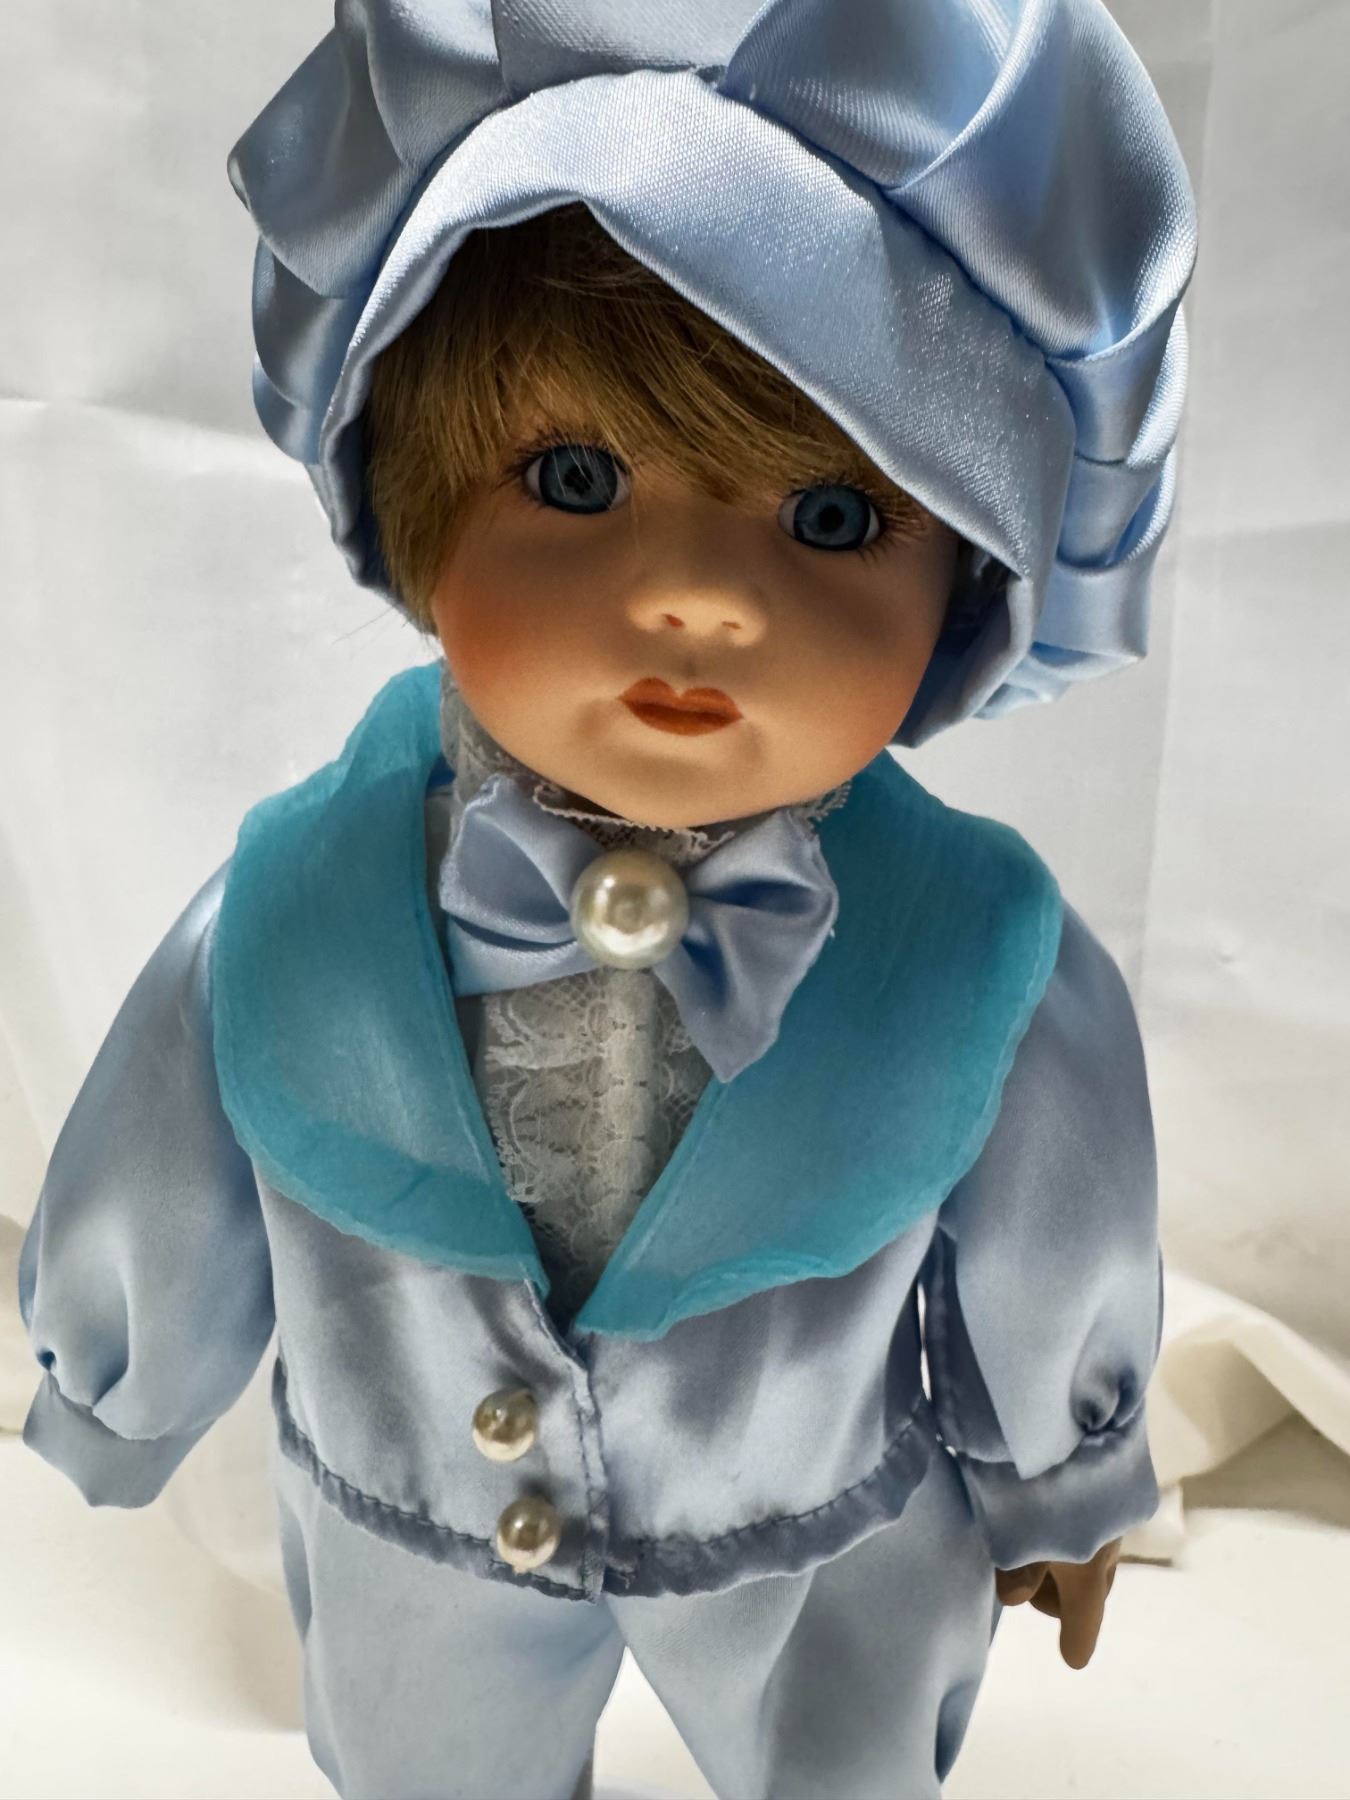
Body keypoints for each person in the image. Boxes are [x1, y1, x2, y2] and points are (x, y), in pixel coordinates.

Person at [16, 4, 1196, 1796]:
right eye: (576, 483)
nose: (698, 598)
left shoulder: (976, 956)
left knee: (848, 1752)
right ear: (406, 500)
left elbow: (1058, 1230)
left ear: (973, 592)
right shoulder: (293, 904)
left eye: (830, 518)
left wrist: (1064, 1470)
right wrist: (118, 1375)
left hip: (815, 1510)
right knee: (422, 1759)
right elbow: (163, 1153)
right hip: (411, 1504)